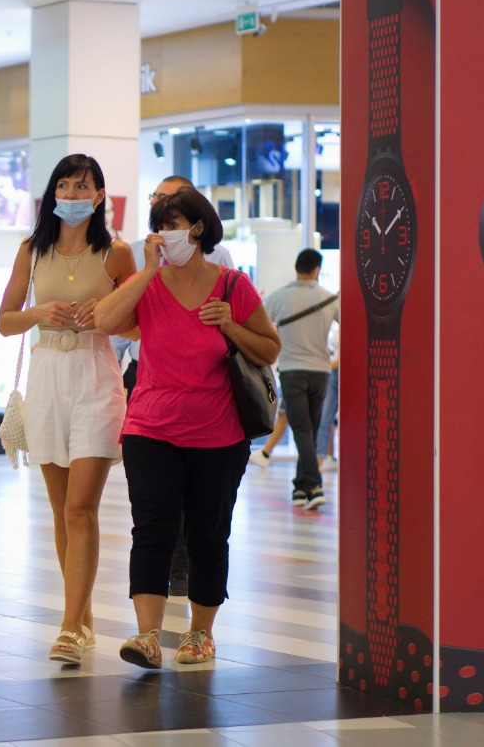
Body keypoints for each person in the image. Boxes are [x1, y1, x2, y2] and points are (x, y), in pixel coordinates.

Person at [95, 186, 280, 669]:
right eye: (158, 227)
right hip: (150, 428)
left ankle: (201, 633)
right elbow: (105, 320)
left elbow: (269, 348)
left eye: (172, 226)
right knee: (152, 531)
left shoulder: (233, 286)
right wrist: (146, 271)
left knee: (207, 534)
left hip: (218, 433)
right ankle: (148, 636)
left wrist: (230, 325)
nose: (164, 235)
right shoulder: (149, 283)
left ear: (197, 229)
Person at [0, 153, 136, 666]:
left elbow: (139, 323)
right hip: (47, 375)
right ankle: (82, 615)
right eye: (65, 185)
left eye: (82, 187)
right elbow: (5, 321)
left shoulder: (117, 253)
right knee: (61, 510)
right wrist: (38, 312)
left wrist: (107, 315)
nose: (72, 195)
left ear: (99, 196)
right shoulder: (32, 250)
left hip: (96, 374)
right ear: (52, 193)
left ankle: (70, 626)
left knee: (81, 507)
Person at [111, 175, 237, 597]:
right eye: (157, 203)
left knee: (204, 516)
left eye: (171, 205)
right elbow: (115, 320)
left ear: (196, 219)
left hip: (210, 395)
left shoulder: (222, 263)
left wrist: (228, 326)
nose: (163, 222)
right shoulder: (141, 255)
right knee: (154, 511)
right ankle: (155, 602)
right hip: (147, 379)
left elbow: (245, 326)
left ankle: (185, 573)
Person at [263, 249, 339, 510]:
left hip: (292, 371)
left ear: (297, 267)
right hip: (321, 373)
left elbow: (260, 323)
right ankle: (301, 488)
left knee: (302, 430)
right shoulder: (329, 298)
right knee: (309, 430)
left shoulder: (278, 297)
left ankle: (313, 486)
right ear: (316, 270)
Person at [316, 321, 340, 471]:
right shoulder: (338, 325)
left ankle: (325, 459)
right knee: (325, 417)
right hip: (333, 373)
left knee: (327, 417)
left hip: (341, 370)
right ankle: (319, 462)